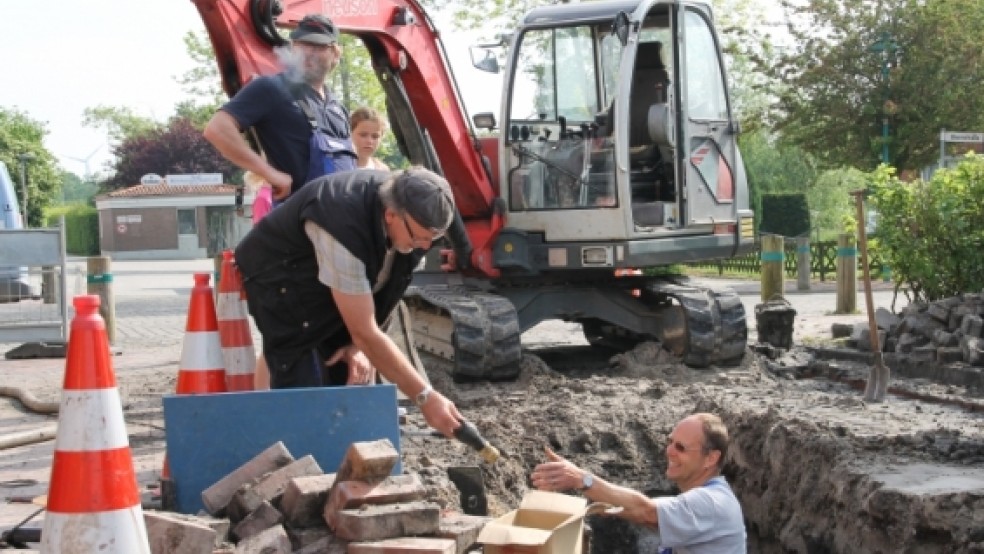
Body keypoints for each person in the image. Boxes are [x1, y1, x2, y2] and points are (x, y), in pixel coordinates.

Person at [234, 166, 463, 436]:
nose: (426, 246)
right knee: (303, 381)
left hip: (333, 278)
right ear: (391, 216)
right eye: (420, 237)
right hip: (281, 276)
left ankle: (341, 450)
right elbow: (365, 330)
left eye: (433, 239)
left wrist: (357, 345)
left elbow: (383, 295)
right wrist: (425, 397)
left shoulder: (411, 223)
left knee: (347, 370)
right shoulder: (340, 224)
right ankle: (298, 448)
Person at [531, 412, 746, 553]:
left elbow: (648, 513)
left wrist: (582, 479)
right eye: (670, 442)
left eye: (681, 447)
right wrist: (608, 505)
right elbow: (646, 515)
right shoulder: (708, 500)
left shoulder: (710, 503)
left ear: (711, 458)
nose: (669, 451)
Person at [204, 13, 356, 202]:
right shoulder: (271, 88)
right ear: (293, 48)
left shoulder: (337, 107)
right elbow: (217, 129)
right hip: (297, 220)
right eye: (303, 45)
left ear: (335, 53)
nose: (308, 53)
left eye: (318, 47)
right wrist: (269, 173)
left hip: (341, 216)